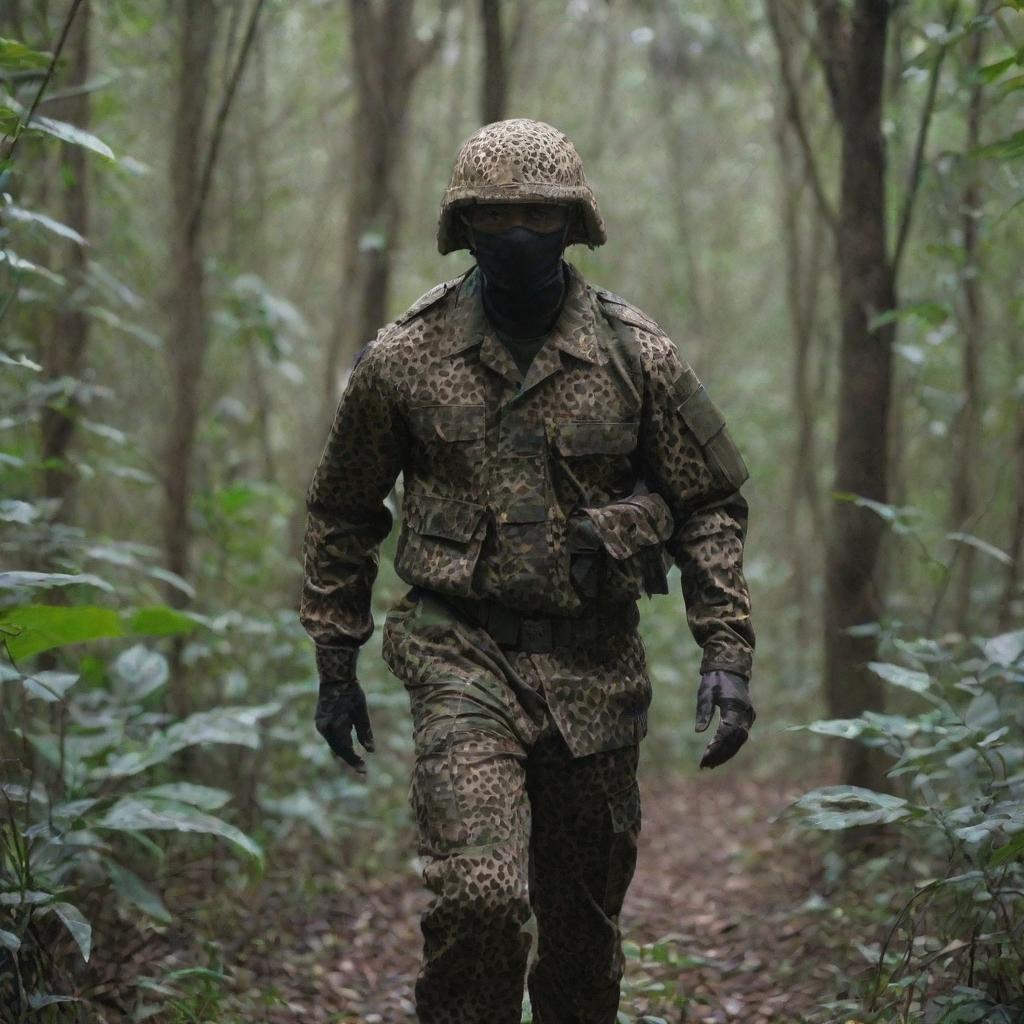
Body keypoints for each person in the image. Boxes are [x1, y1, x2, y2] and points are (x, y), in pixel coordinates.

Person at [300, 118, 756, 1024]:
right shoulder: (404, 358)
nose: (516, 235)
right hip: (458, 654)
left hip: (596, 671)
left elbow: (708, 502)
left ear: (573, 224)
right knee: (481, 901)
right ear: (462, 228)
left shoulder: (637, 356)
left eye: (537, 216)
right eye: (494, 216)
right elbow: (343, 511)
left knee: (582, 937)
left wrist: (728, 650)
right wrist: (334, 657)